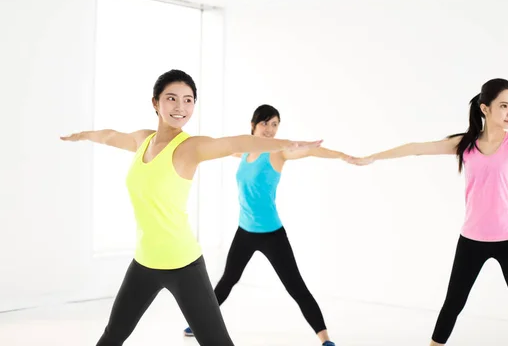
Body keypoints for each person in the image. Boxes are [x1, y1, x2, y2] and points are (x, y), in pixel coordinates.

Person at [61, 70, 322, 346]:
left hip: (183, 265)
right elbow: (111, 136)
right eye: (172, 98)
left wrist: (284, 144)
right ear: (155, 103)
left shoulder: (190, 148)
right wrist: (83, 134)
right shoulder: (142, 141)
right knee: (112, 335)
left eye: (188, 100)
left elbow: (235, 143)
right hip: (144, 263)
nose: (180, 107)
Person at [348, 78, 508, 346]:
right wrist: (372, 157)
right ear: (485, 108)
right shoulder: (465, 144)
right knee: (452, 305)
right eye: (503, 106)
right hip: (471, 241)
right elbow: (417, 149)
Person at [183, 104, 350, 346]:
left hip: (272, 234)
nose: (270, 130)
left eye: (275, 125)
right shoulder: (244, 152)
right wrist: (188, 141)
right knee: (227, 280)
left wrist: (341, 155)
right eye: (265, 123)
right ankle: (198, 324)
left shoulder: (278, 153)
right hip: (244, 232)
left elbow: (307, 152)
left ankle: (325, 339)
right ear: (253, 125)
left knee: (296, 287)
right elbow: (219, 145)